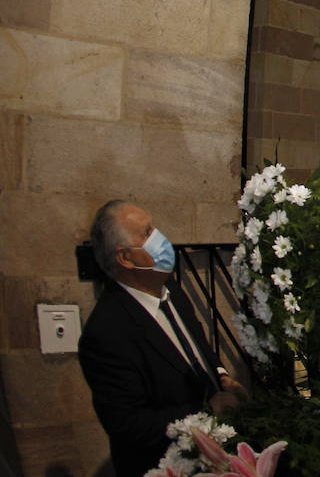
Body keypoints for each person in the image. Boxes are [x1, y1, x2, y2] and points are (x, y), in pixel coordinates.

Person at [78, 201, 245, 477]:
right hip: (168, 465)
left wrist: (221, 375)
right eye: (146, 233)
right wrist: (206, 411)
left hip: (215, 455)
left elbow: (197, 350)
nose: (159, 237)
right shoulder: (106, 333)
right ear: (125, 258)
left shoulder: (171, 291)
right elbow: (128, 425)